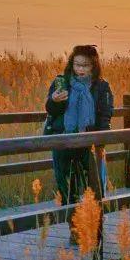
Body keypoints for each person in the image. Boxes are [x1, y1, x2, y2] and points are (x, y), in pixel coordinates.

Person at [44, 45, 114, 210]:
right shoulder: (62, 82)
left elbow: (105, 114)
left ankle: (96, 212)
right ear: (72, 64)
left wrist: (101, 140)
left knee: (95, 183)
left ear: (93, 66)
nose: (80, 69)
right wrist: (54, 100)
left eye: (85, 65)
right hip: (63, 137)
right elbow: (51, 111)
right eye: (77, 65)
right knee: (64, 182)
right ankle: (69, 210)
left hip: (88, 139)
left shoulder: (101, 86)